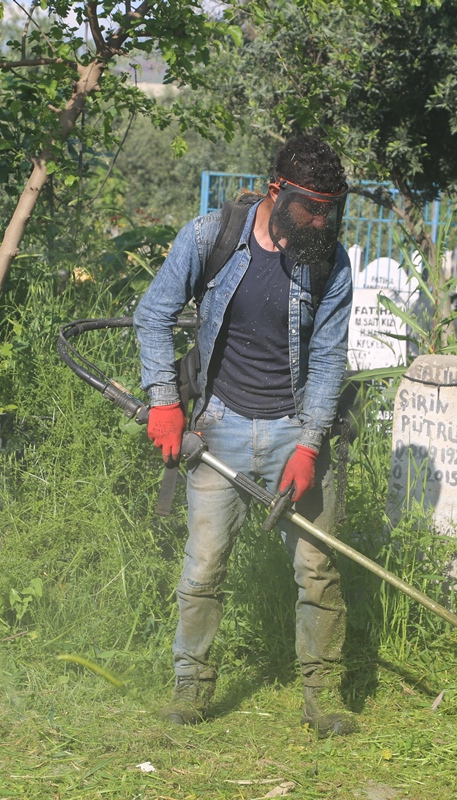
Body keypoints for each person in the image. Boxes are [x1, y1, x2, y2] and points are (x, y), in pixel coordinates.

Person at [133, 135, 355, 736]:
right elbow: (152, 315)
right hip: (219, 426)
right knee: (203, 567)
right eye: (311, 205)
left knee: (317, 571)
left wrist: (309, 446)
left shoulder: (331, 261)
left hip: (293, 430)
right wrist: (164, 404)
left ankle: (323, 697)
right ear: (277, 191)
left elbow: (330, 358)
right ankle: (192, 688)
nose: (321, 218)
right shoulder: (208, 238)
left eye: (330, 207)